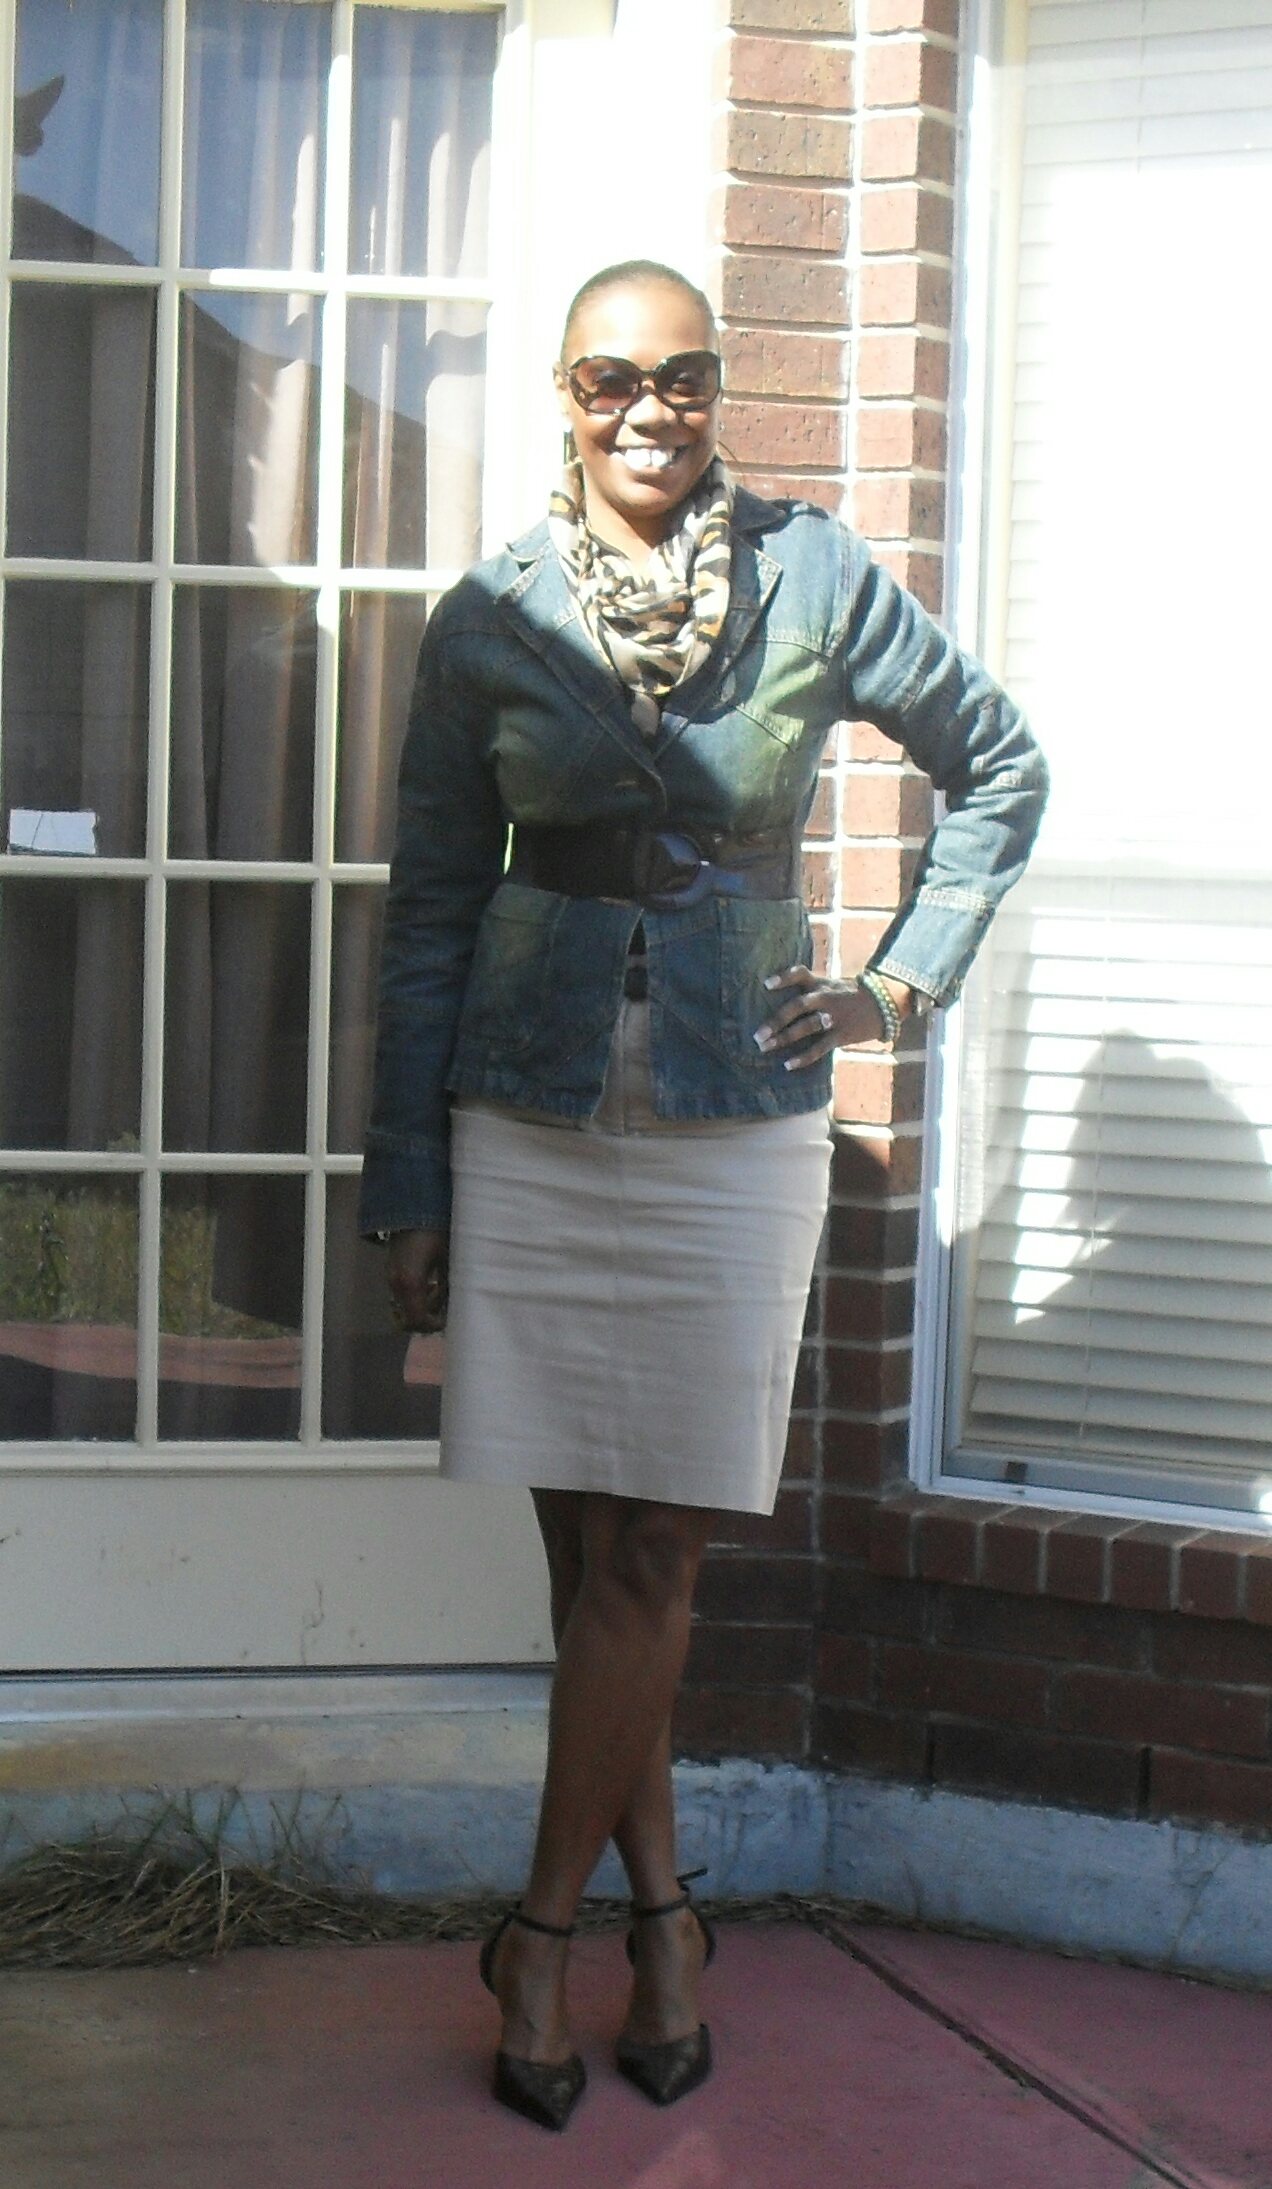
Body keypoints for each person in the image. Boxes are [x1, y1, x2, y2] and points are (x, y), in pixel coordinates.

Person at [360, 259, 1047, 2131]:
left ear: (718, 390)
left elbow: (1000, 762)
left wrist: (898, 981)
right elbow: (430, 909)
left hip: (736, 1116)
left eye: (683, 378)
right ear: (563, 395)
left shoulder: (813, 576)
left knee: (655, 1548)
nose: (650, 411)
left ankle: (536, 1936)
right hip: (530, 1106)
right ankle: (667, 1918)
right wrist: (407, 1175)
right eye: (611, 380)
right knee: (587, 1566)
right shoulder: (492, 616)